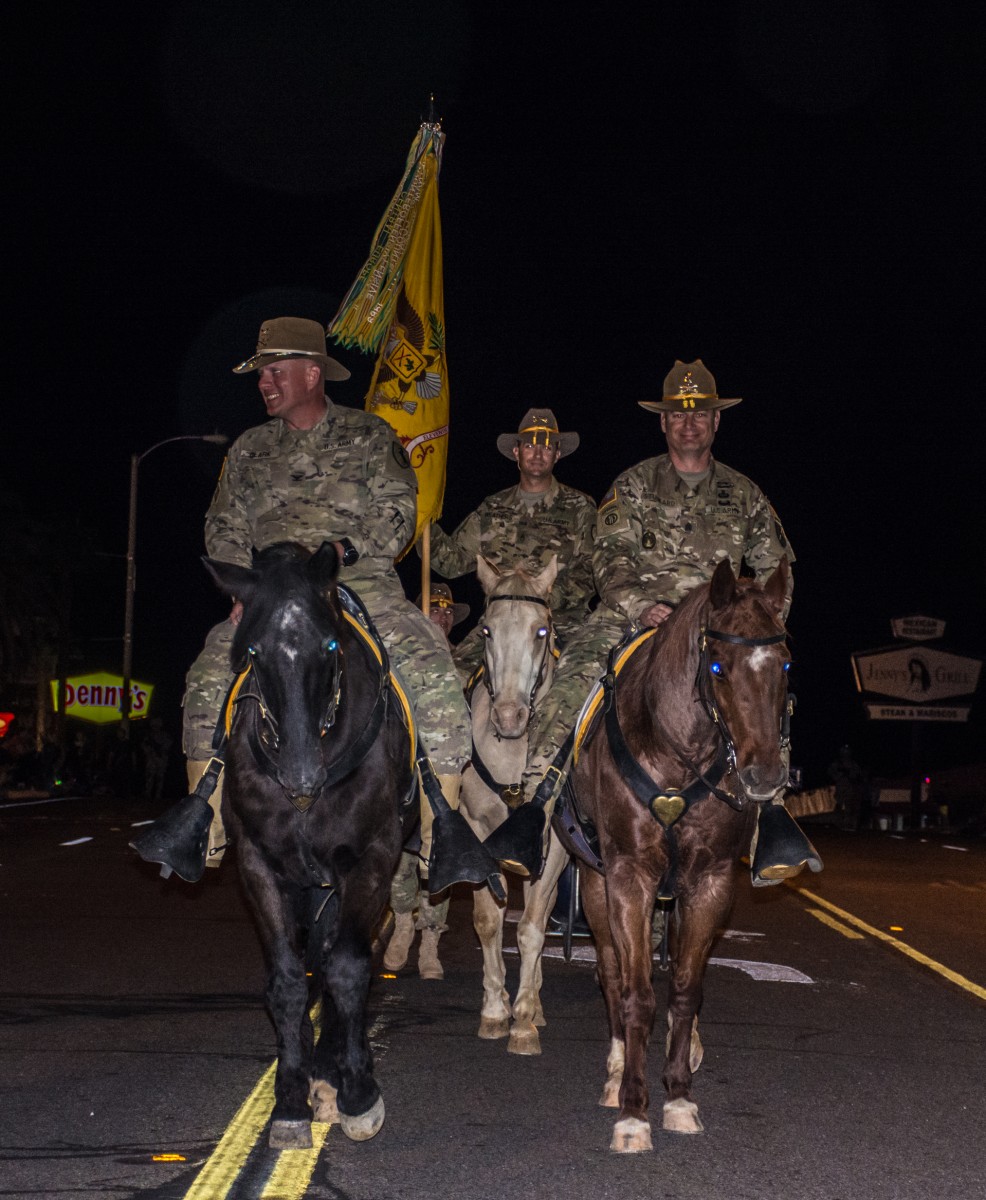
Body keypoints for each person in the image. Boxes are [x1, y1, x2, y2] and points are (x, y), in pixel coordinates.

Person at [132, 317, 474, 885]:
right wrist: (243, 590)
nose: (264, 382)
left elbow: (396, 514)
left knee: (435, 674)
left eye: (274, 371)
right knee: (208, 673)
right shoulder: (248, 450)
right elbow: (222, 525)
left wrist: (344, 548)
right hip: (272, 591)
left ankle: (445, 831)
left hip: (356, 584)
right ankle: (204, 823)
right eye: (262, 374)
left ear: (312, 373)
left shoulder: (370, 436)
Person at [497, 360, 820, 886]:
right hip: (638, 617)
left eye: (700, 415)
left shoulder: (746, 495)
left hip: (718, 626)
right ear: (663, 424)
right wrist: (640, 604)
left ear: (716, 423)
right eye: (677, 415)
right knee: (571, 679)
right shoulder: (633, 485)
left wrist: (756, 619)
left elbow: (775, 568)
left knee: (768, 689)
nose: (689, 423)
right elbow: (609, 557)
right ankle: (534, 808)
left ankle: (772, 818)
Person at [426, 409, 597, 679]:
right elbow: (451, 562)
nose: (538, 454)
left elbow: (592, 567)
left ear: (557, 454)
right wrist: (421, 521)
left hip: (564, 622)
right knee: (447, 686)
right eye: (529, 445)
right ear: (517, 452)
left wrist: (544, 597)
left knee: (589, 683)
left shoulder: (580, 507)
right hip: (498, 623)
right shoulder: (492, 508)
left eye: (546, 446)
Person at [385, 582, 469, 980]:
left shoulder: (466, 660)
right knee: (401, 855)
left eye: (448, 611)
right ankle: (403, 925)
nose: (444, 616)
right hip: (404, 766)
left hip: (447, 771)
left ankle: (431, 939)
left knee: (440, 851)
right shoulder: (397, 656)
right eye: (435, 609)